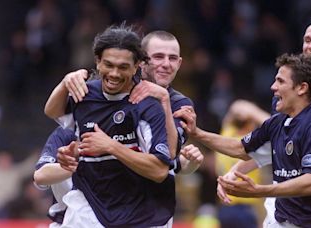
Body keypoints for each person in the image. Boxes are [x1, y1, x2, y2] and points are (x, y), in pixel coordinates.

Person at [175, 53, 311, 227]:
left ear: (302, 88)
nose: (273, 87)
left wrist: (260, 191)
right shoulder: (278, 121)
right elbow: (240, 148)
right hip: (282, 220)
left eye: (280, 81)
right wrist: (197, 133)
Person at [43, 23, 175, 228]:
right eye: (108, 64)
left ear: (137, 66)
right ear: (97, 62)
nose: (114, 73)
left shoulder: (147, 106)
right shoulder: (85, 94)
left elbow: (159, 171)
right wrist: (65, 82)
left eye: (123, 67)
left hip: (139, 212)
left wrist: (110, 146)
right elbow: (52, 111)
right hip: (89, 207)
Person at [216, 20, 311, 222]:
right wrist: (234, 172)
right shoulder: (286, 95)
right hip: (286, 208)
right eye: (307, 40)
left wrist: (253, 111)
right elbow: (277, 145)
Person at [51, 30, 203, 174]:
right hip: (97, 190)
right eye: (158, 57)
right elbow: (56, 114)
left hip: (145, 193)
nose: (166, 64)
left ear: (179, 63)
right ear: (142, 61)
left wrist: (165, 99)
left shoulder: (180, 104)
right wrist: (66, 82)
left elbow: (169, 155)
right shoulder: (112, 85)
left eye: (173, 58)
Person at [215, 99, 270, 228]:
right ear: (249, 124)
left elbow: (235, 107)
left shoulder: (225, 137)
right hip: (246, 208)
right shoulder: (253, 145)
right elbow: (274, 126)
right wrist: (253, 112)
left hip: (225, 207)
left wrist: (241, 114)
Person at [33, 127, 77, 227]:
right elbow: (40, 176)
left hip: (113, 215)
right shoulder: (65, 132)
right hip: (67, 220)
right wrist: (83, 165)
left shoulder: (115, 130)